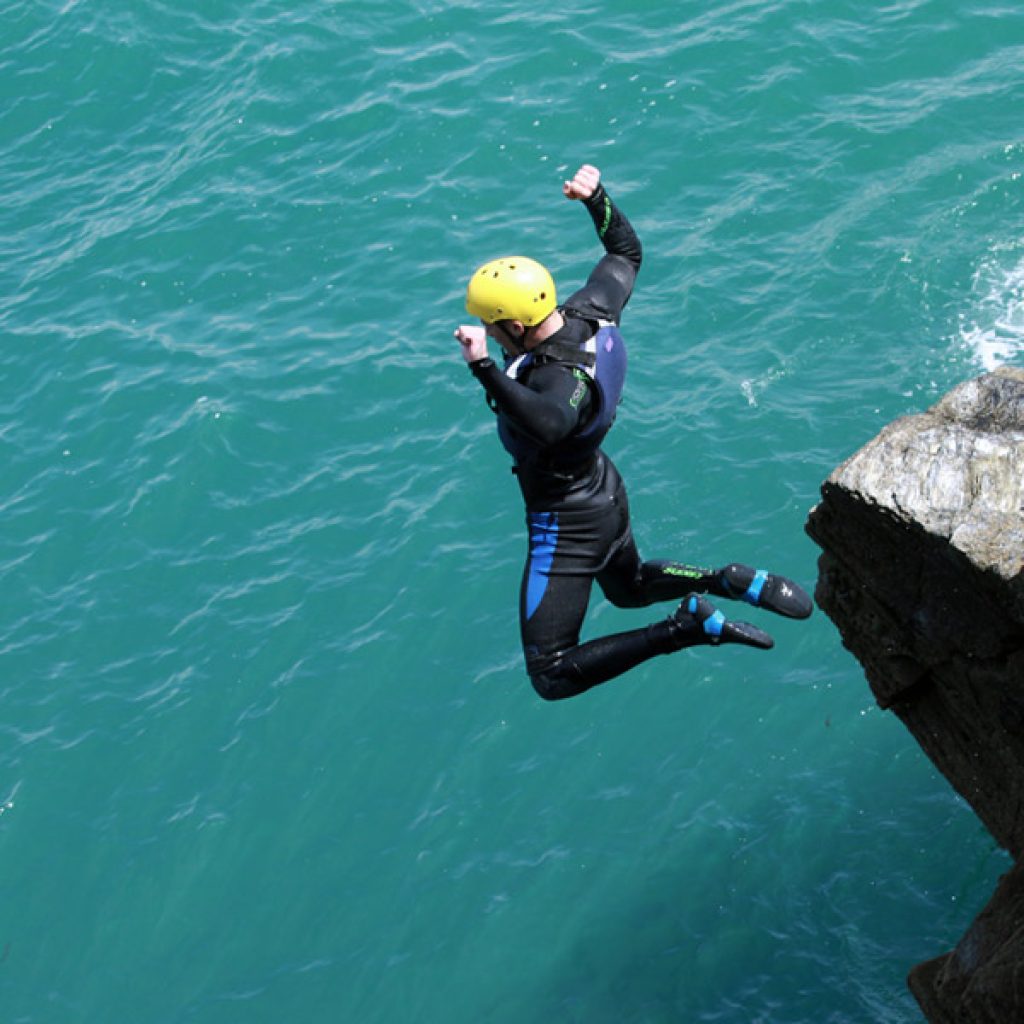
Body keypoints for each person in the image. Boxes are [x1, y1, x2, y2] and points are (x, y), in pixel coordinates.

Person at [454, 164, 811, 701]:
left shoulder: (553, 379)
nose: (488, 335)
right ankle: (729, 582)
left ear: (518, 326)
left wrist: (482, 369)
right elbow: (625, 254)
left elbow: (552, 422)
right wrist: (595, 198)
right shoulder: (591, 310)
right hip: (603, 492)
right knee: (630, 588)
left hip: (566, 521)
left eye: (492, 327)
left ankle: (684, 629)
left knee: (550, 673)